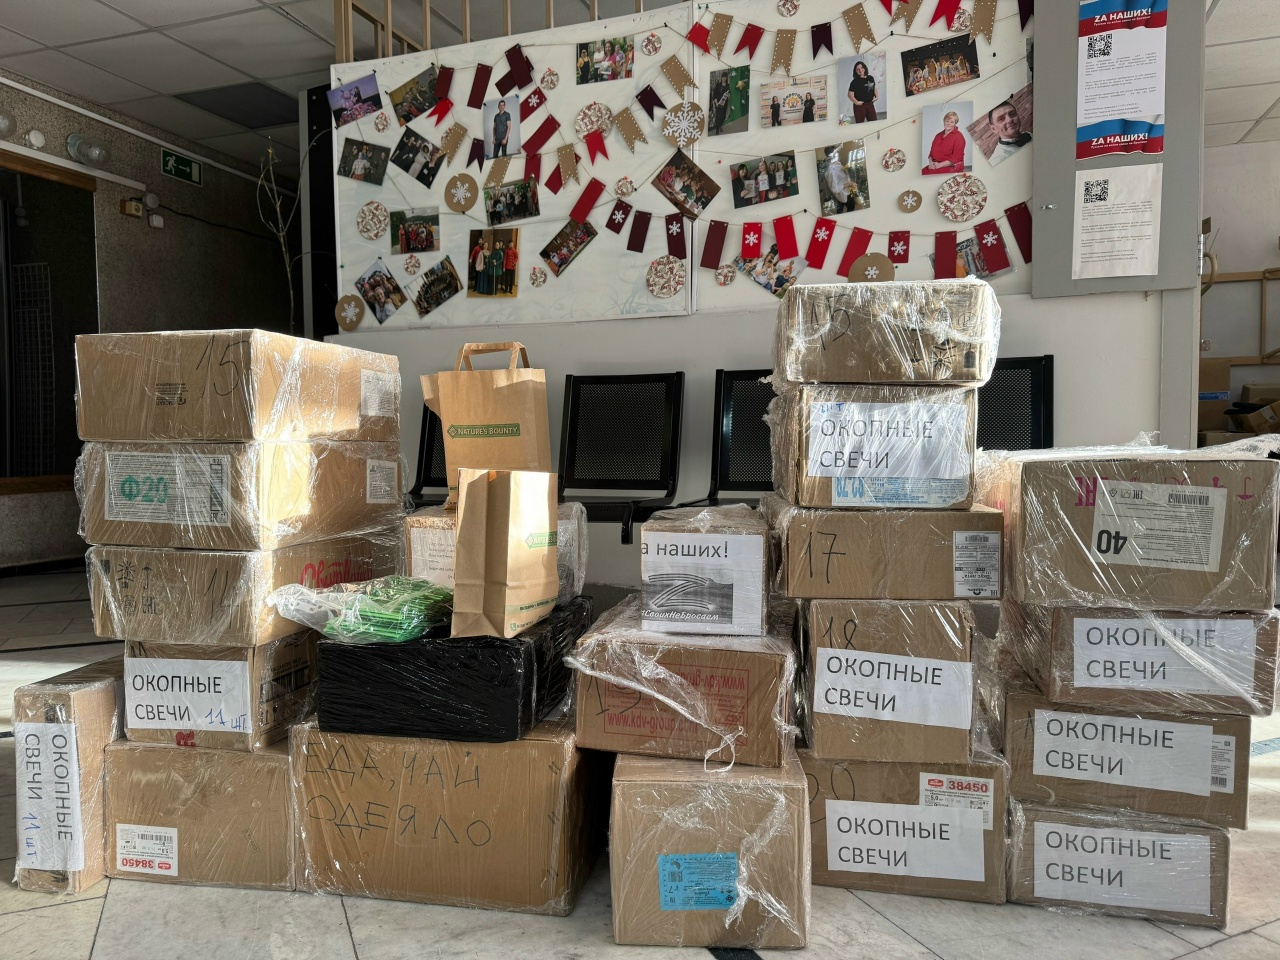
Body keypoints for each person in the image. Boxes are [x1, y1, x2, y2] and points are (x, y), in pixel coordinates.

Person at [924, 110, 966, 174]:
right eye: (947, 121)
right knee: (923, 172)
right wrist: (931, 163)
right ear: (944, 121)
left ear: (955, 123)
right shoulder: (938, 136)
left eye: (951, 122)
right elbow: (931, 154)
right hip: (936, 164)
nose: (948, 123)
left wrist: (939, 165)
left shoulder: (959, 137)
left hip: (952, 166)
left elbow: (956, 157)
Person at [824, 147, 856, 213]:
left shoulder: (837, 164)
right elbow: (834, 189)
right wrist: (848, 184)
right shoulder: (831, 169)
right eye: (836, 152)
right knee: (850, 206)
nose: (838, 154)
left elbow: (842, 177)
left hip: (847, 191)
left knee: (844, 208)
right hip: (842, 194)